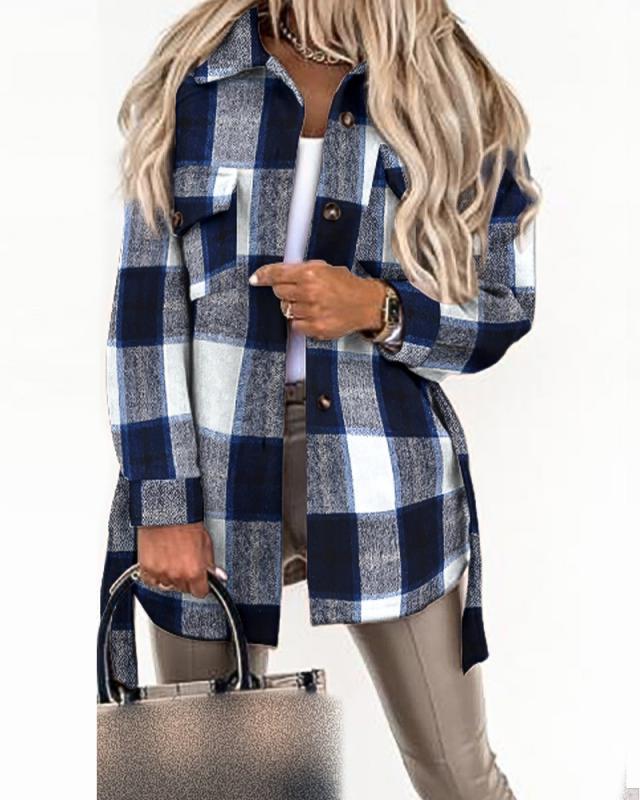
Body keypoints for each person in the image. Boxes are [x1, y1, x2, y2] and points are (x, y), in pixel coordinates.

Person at [100, 1, 541, 797]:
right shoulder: (196, 80)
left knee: (458, 776)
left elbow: (504, 304)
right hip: (213, 469)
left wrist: (381, 308)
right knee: (209, 785)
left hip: (386, 470)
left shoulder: (451, 90)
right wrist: (163, 506)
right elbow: (143, 316)